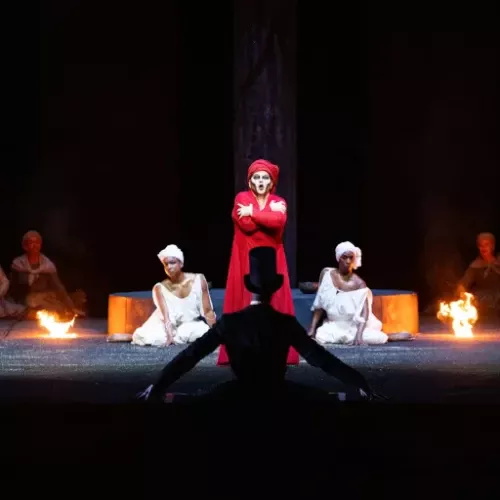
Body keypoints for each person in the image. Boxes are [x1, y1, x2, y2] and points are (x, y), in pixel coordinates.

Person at [137, 246, 374, 403]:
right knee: (328, 400)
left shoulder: (231, 322)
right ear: (275, 288)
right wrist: (358, 380)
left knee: (191, 401)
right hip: (277, 395)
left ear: (249, 286)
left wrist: (159, 384)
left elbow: (191, 355)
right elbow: (321, 358)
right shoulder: (284, 323)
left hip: (238, 395)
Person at [219, 159, 299, 365]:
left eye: (265, 178)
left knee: (274, 301)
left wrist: (253, 212)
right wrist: (266, 213)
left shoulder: (279, 201)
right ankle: (242, 351)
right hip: (246, 256)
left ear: (271, 183)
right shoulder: (242, 198)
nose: (261, 181)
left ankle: (278, 351)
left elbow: (278, 222)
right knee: (246, 300)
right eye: (256, 177)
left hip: (272, 256)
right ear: (250, 181)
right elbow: (246, 225)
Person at [308, 241, 413, 345]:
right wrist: (312, 328)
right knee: (321, 335)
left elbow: (364, 312)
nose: (348, 261)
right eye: (345, 257)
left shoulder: (358, 283)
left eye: (351, 257)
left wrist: (358, 335)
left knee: (372, 337)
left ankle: (389, 336)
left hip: (352, 325)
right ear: (338, 258)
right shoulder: (327, 274)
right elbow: (319, 304)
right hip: (334, 324)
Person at [124, 244, 216, 347]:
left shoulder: (198, 280)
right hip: (166, 324)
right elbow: (166, 317)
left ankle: (133, 336)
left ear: (181, 263)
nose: (169, 267)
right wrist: (169, 336)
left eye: (172, 263)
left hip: (189, 323)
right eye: (166, 264)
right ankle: (131, 336)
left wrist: (216, 333)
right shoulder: (160, 288)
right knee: (152, 337)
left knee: (203, 331)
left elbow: (208, 311)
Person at [8, 230, 86, 319]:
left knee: (58, 304)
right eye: (31, 242)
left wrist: (68, 302)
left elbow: (58, 286)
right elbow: (13, 286)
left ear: (40, 245)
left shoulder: (47, 265)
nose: (34, 245)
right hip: (25, 300)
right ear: (25, 246)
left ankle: (65, 309)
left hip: (44, 297)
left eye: (37, 242)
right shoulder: (18, 264)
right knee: (30, 302)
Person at [457, 232, 500, 318]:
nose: (483, 248)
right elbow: (465, 282)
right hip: (483, 298)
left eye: (486, 244)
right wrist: (461, 289)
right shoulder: (476, 265)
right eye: (481, 245)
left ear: (492, 246)